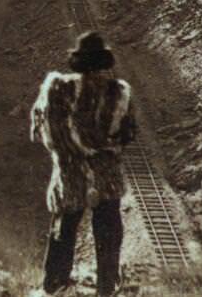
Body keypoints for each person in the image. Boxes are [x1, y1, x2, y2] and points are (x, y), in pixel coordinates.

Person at [30, 31, 136, 296]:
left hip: (71, 172)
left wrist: (76, 148)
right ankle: (106, 288)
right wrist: (104, 147)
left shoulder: (59, 89)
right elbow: (127, 133)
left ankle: (55, 286)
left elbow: (51, 134)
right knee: (109, 230)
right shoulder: (118, 93)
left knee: (64, 228)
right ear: (104, 62)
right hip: (106, 174)